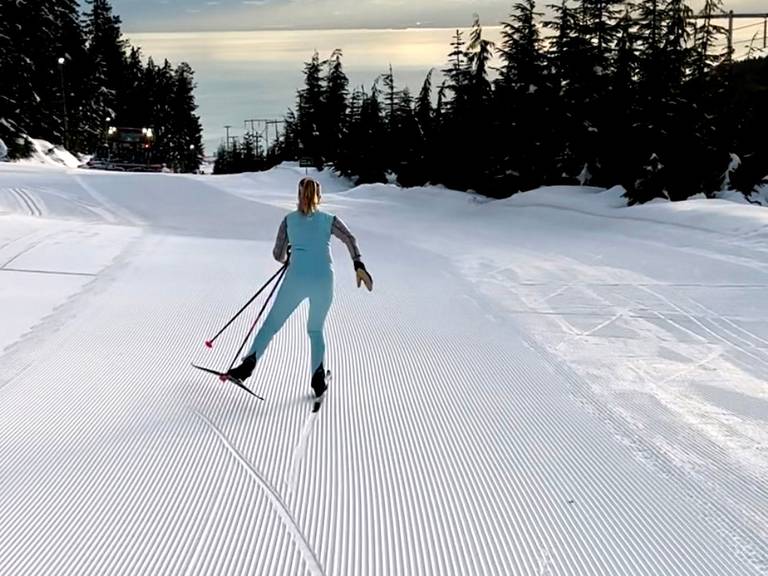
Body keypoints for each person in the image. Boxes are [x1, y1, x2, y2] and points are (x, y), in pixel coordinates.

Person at [226, 177, 373, 398]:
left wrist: (290, 253)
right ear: (319, 196)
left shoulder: (288, 221)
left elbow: (278, 255)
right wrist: (358, 264)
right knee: (315, 329)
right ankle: (318, 379)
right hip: (323, 280)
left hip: (296, 279)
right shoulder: (329, 220)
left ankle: (246, 367)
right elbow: (350, 239)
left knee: (271, 325)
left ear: (298, 195)